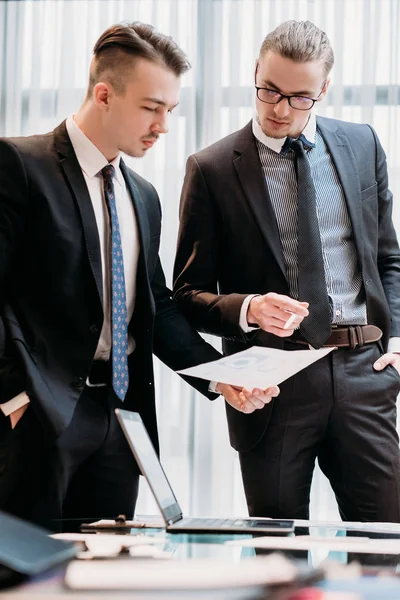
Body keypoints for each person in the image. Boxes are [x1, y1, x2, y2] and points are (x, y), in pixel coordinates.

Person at [0, 22, 278, 531]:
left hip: (121, 420)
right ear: (103, 94)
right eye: (152, 107)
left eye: (170, 110)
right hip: (35, 418)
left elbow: (156, 305)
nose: (163, 125)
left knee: (105, 575)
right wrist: (13, 398)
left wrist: (219, 374)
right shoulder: (18, 164)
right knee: (23, 577)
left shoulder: (144, 195)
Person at [173, 20, 400, 522]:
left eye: (299, 97)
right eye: (269, 90)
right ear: (255, 71)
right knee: (279, 554)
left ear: (324, 89)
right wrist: (250, 309)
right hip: (270, 384)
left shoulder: (362, 144)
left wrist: (397, 345)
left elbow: (388, 258)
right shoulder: (210, 168)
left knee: (387, 547)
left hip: (366, 371)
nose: (279, 109)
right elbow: (185, 294)